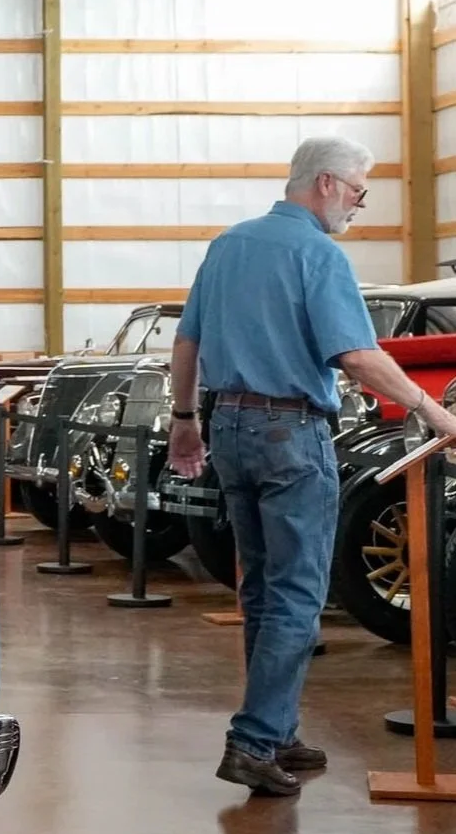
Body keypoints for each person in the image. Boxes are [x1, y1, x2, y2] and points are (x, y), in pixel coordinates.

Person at [168, 136, 456, 796]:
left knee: (263, 587)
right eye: (358, 191)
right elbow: (357, 356)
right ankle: (251, 740)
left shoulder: (227, 245)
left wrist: (185, 422)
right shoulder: (318, 255)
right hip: (290, 433)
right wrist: (431, 411)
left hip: (229, 425)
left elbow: (186, 342)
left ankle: (277, 728)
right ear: (326, 183)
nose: (358, 205)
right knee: (297, 593)